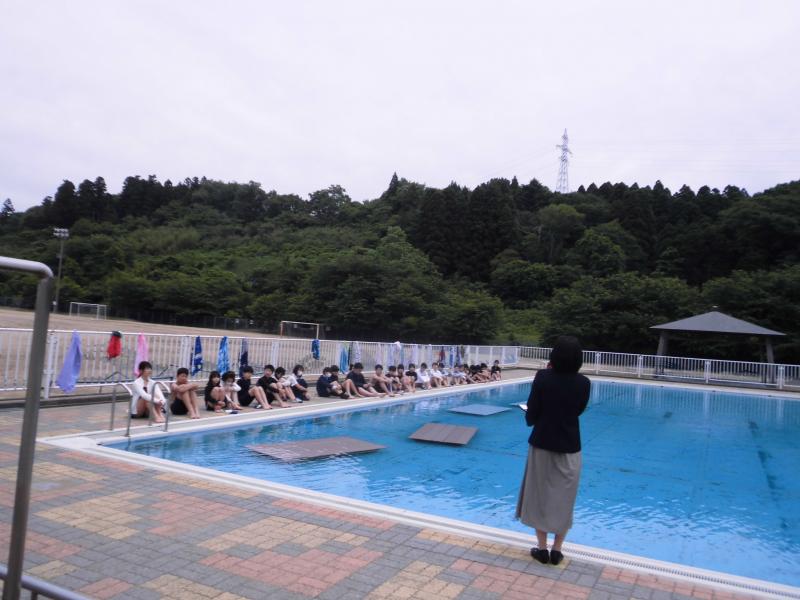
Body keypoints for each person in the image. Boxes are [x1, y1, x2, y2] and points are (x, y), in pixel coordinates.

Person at [516, 336, 591, 566]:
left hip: (542, 443)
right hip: (570, 447)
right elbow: (578, 410)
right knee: (564, 498)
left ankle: (542, 549)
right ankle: (557, 550)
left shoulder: (543, 377)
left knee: (539, 495)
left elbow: (533, 411)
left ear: (554, 356)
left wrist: (531, 418)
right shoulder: (584, 383)